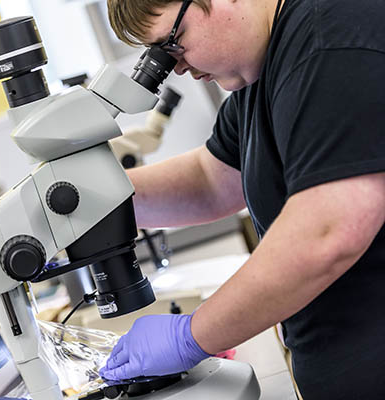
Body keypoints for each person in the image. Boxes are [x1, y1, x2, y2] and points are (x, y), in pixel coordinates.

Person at [99, 0, 385, 399]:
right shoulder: (266, 66)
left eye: (173, 43)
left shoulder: (329, 40)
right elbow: (211, 180)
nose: (176, 67)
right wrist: (94, 202)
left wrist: (192, 335)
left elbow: (327, 233)